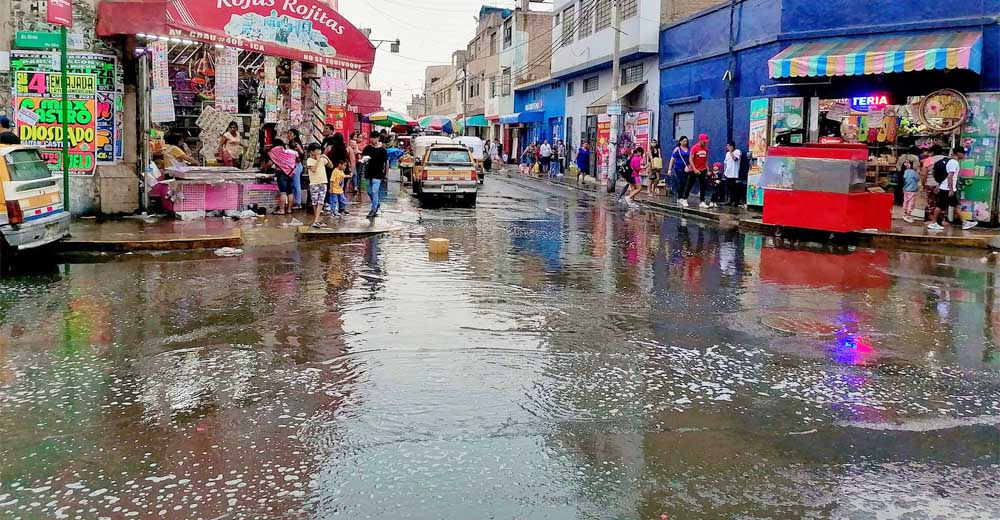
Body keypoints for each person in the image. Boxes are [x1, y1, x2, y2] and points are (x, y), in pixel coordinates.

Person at [928, 147, 977, 231]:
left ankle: (964, 222)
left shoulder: (951, 162)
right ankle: (933, 223)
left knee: (956, 205)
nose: (964, 155)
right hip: (947, 189)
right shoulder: (954, 163)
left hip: (947, 188)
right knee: (940, 206)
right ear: (958, 153)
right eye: (963, 153)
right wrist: (951, 189)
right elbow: (950, 176)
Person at [268, 138, 298, 215]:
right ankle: (289, 209)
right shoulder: (291, 153)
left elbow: (270, 163)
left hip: (281, 173)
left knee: (283, 192)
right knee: (290, 192)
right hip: (290, 173)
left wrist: (265, 167)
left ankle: (281, 210)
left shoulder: (276, 151)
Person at [362, 131, 389, 219]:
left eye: (374, 138)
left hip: (378, 174)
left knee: (374, 191)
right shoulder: (367, 148)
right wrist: (364, 160)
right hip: (368, 172)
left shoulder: (383, 150)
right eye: (371, 138)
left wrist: (386, 173)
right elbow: (363, 159)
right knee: (369, 191)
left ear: (378, 138)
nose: (372, 139)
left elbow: (386, 162)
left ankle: (373, 210)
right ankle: (376, 203)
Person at [306, 144, 332, 228]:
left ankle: (316, 220)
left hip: (323, 182)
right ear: (312, 152)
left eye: (320, 150)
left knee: (321, 202)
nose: (319, 152)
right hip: (314, 183)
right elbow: (313, 169)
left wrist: (326, 157)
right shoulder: (309, 160)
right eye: (317, 150)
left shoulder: (322, 160)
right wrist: (317, 160)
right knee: (315, 202)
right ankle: (316, 220)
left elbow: (331, 166)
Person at [681, 133, 710, 208]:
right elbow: (690, 159)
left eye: (706, 142)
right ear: (700, 140)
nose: (705, 143)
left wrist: (708, 170)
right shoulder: (694, 148)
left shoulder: (706, 149)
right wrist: (694, 169)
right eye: (704, 141)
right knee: (689, 185)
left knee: (703, 185)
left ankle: (702, 201)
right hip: (694, 169)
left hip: (703, 169)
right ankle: (684, 199)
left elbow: (706, 160)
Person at [920, 145, 947, 222]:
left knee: (931, 202)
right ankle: (942, 220)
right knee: (942, 202)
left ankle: (931, 220)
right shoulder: (946, 159)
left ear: (932, 152)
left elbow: (923, 174)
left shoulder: (928, 160)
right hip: (943, 185)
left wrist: (923, 184)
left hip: (930, 184)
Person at [285, 129, 306, 208]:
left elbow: (302, 153)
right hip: (291, 166)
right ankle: (293, 201)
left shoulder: (296, 144)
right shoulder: (289, 144)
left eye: (290, 133)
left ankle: (298, 202)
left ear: (295, 136)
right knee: (293, 184)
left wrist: (298, 158)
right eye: (288, 133)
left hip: (296, 166)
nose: (288, 135)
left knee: (296, 184)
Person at [723, 141, 742, 206]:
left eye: (728, 146)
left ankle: (736, 201)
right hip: (728, 173)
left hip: (734, 173)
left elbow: (735, 159)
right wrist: (725, 171)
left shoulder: (737, 151)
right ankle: (730, 200)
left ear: (732, 146)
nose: (727, 147)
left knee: (734, 188)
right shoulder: (727, 153)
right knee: (729, 188)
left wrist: (731, 152)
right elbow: (725, 163)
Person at [901, 159, 920, 224]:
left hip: (905, 189)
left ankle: (905, 213)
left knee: (905, 201)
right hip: (912, 189)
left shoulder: (905, 172)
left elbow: (904, 179)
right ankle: (908, 214)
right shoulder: (913, 172)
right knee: (911, 202)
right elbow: (917, 178)